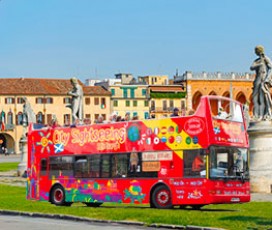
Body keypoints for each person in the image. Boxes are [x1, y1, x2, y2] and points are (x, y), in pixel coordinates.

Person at [250, 45, 272, 120]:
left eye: (256, 50)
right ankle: (257, 114)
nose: (255, 52)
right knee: (255, 97)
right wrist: (260, 63)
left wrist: (268, 79)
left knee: (263, 97)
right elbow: (251, 67)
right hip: (257, 79)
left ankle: (262, 115)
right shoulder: (257, 60)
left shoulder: (266, 58)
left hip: (263, 78)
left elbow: (271, 68)